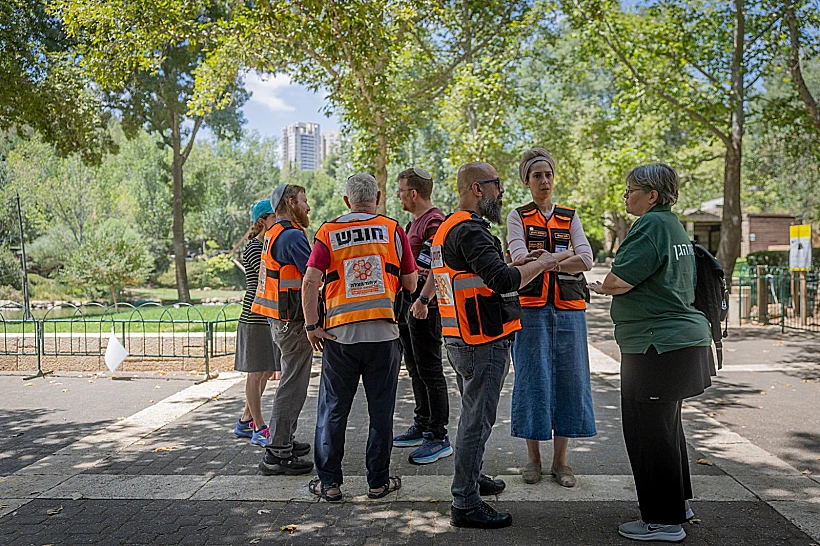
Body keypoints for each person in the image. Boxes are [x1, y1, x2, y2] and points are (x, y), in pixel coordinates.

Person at [427, 162, 561, 529]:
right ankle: (465, 502)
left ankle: (472, 477)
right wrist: (543, 263)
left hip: (460, 336)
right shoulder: (470, 230)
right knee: (477, 421)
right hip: (480, 339)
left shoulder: (450, 227)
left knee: (473, 415)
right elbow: (502, 281)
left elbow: (479, 270)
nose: (501, 192)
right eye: (497, 185)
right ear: (477, 189)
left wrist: (518, 261)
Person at [589, 163, 712, 543]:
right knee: (666, 430)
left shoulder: (650, 225)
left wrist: (602, 286)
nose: (626, 196)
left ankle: (663, 522)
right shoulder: (673, 225)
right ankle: (677, 506)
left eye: (631, 190)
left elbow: (620, 280)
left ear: (652, 195)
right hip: (677, 343)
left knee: (649, 434)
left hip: (655, 344)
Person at [301, 173, 418, 502]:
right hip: (384, 336)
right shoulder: (393, 230)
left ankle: (329, 484)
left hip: (340, 336)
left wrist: (311, 326)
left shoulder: (328, 231)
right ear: (377, 198)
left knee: (333, 410)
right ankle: (378, 483)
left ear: (346, 201)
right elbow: (410, 283)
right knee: (381, 412)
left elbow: (310, 281)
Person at [506, 148, 597, 488]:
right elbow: (519, 258)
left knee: (570, 380)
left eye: (548, 175)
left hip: (570, 310)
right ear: (526, 181)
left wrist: (547, 261)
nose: (544, 181)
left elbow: (586, 259)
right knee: (532, 379)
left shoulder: (570, 216)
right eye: (537, 176)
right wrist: (566, 255)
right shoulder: (517, 217)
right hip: (530, 309)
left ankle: (561, 462)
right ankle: (533, 459)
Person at [252, 184, 315, 475]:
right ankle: (277, 452)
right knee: (293, 386)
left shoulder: (274, 233)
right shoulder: (291, 236)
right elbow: (314, 275)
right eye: (304, 201)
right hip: (293, 323)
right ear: (290, 202)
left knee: (292, 383)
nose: (308, 207)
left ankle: (284, 439)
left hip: (279, 320)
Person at [392, 167, 452, 465]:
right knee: (415, 368)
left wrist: (423, 299)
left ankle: (438, 436)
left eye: (401, 191)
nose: (398, 196)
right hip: (410, 304)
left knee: (430, 370)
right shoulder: (414, 222)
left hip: (424, 305)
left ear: (413, 194)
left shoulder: (434, 221)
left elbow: (436, 265)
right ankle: (423, 423)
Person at [233, 199, 282, 447]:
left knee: (264, 371)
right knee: (255, 373)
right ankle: (259, 427)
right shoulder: (255, 248)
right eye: (274, 217)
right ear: (263, 220)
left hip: (267, 315)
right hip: (254, 317)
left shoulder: (268, 244)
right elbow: (270, 274)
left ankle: (245, 421)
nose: (278, 220)